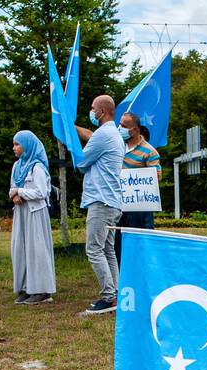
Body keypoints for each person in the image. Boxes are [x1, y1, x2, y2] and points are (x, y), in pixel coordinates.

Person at [74, 94, 125, 314]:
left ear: (101, 111)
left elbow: (81, 163)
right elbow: (90, 135)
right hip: (112, 201)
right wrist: (71, 127)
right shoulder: (113, 133)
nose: (91, 111)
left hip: (101, 201)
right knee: (108, 250)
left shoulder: (103, 135)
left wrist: (69, 137)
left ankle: (108, 296)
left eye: (93, 108)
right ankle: (117, 294)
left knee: (94, 249)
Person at [9, 130, 56, 305]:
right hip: (21, 212)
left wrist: (19, 192)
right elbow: (12, 187)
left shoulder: (37, 167)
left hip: (35, 213)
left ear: (27, 145)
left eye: (17, 144)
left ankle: (42, 290)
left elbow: (41, 192)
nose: (14, 148)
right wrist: (14, 195)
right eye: (14, 144)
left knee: (37, 250)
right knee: (20, 249)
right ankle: (26, 287)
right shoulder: (17, 166)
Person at [114, 112, 160, 264]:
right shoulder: (118, 146)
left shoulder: (149, 151)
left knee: (140, 242)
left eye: (124, 126)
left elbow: (157, 177)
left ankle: (143, 268)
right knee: (118, 241)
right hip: (119, 204)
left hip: (139, 208)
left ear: (134, 130)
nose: (120, 128)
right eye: (120, 124)